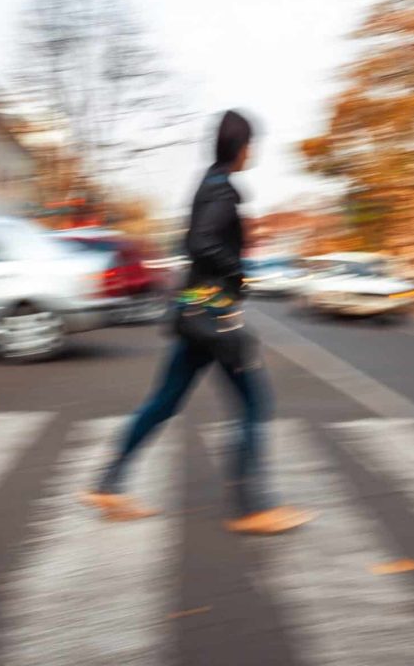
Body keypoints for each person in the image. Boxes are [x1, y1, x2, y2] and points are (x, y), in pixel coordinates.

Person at [82, 110, 313, 535]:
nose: (252, 152)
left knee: (164, 402)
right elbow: (201, 241)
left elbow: (195, 242)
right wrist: (237, 274)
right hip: (212, 314)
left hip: (194, 313)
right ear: (242, 147)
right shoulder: (222, 191)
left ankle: (108, 484)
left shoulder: (207, 183)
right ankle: (251, 507)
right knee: (254, 403)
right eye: (251, 144)